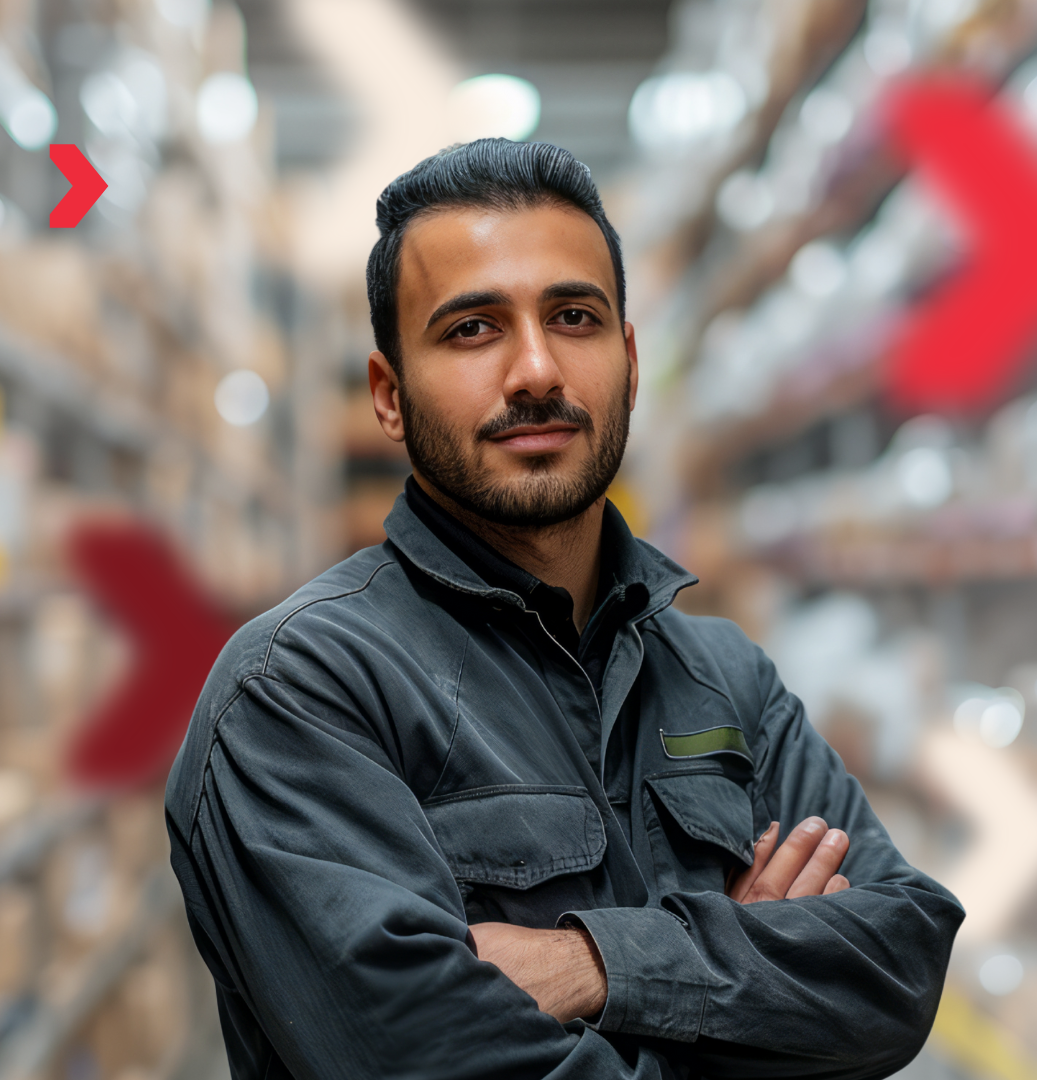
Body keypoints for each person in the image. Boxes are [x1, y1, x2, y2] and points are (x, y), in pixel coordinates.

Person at [165, 138, 963, 1080]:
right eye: (472, 329)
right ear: (389, 396)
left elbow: (900, 959)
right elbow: (432, 1060)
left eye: (574, 317)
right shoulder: (300, 693)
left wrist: (592, 963)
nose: (536, 370)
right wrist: (756, 987)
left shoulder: (725, 678)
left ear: (627, 357)